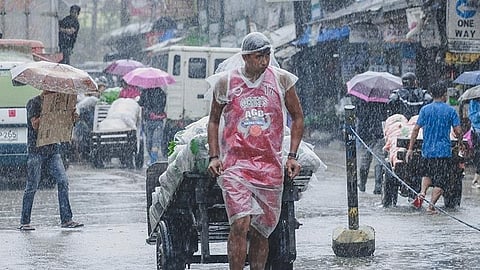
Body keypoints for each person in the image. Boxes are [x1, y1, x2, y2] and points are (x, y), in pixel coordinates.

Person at [207, 32, 304, 270]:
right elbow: (213, 120)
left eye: (268, 55)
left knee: (262, 230)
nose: (265, 61)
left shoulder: (282, 80)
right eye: (259, 56)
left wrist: (291, 156)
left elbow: (298, 117)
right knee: (240, 223)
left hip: (270, 168)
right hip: (236, 167)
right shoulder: (226, 82)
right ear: (246, 57)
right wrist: (214, 156)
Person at [18, 90, 83, 231]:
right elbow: (34, 125)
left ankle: (66, 219)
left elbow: (65, 123)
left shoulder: (59, 104)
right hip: (36, 150)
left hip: (53, 150)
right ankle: (24, 221)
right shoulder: (34, 102)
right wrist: (48, 113)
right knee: (32, 185)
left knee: (63, 181)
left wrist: (72, 117)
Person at [406, 81, 463, 214]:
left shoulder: (425, 110)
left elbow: (415, 130)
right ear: (444, 95)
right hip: (443, 152)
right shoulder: (450, 111)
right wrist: (460, 143)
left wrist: (410, 148)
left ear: (431, 94)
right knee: (441, 182)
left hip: (427, 150)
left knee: (427, 174)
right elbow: (458, 131)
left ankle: (422, 192)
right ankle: (431, 206)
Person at [354, 97, 388, 194]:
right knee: (379, 159)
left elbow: (358, 115)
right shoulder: (382, 99)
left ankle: (362, 184)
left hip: (366, 134)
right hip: (378, 132)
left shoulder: (362, 99)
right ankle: (378, 185)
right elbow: (384, 116)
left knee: (365, 159)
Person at [138, 87, 167, 163]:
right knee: (156, 141)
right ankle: (153, 159)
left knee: (149, 141)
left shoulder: (145, 92)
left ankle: (152, 159)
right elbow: (163, 104)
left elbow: (140, 103)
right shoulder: (162, 93)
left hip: (148, 120)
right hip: (158, 120)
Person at [468, 98, 480, 188]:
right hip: (477, 132)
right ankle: (477, 176)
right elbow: (473, 118)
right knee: (478, 154)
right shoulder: (474, 102)